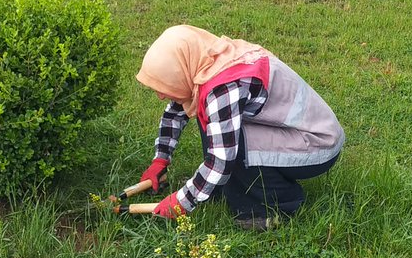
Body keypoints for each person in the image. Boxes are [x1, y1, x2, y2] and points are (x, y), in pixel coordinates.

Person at [135, 25, 345, 230]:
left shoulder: (223, 87)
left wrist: (182, 201)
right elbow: (176, 112)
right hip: (294, 133)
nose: (161, 95)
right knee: (218, 126)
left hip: (317, 144)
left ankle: (274, 205)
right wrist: (160, 160)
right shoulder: (208, 64)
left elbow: (221, 159)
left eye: (164, 87)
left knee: (232, 145)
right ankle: (220, 186)